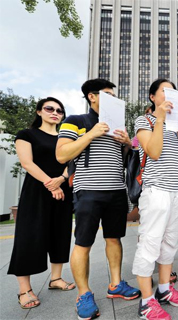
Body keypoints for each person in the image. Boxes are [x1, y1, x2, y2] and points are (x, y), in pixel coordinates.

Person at [56, 79, 139, 319]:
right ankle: (84, 294)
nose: (113, 99)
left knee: (114, 239)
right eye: (107, 95)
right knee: (83, 243)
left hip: (116, 190)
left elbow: (124, 160)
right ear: (92, 97)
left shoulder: (116, 125)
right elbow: (62, 155)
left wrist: (126, 144)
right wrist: (92, 133)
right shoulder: (75, 121)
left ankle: (116, 285)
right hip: (88, 191)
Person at [133, 79, 178, 320]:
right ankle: (147, 302)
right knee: (150, 243)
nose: (170, 96)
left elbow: (176, 158)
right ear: (152, 97)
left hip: (177, 190)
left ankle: (164, 290)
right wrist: (159, 119)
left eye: (173, 92)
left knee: (169, 242)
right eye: (165, 92)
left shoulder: (175, 124)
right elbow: (154, 152)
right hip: (156, 190)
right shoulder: (144, 121)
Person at [8, 97, 74, 309]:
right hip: (37, 191)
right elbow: (27, 162)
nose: (55, 112)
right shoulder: (27, 134)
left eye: (59, 110)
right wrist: (51, 184)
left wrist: (61, 180)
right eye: (49, 108)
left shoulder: (65, 137)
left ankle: (56, 279)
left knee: (60, 233)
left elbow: (71, 162)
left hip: (63, 191)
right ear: (39, 111)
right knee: (29, 237)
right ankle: (24, 290)